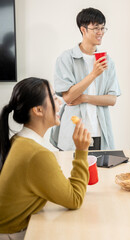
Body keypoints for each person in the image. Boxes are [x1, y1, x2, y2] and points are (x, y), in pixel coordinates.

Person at [0, 77, 91, 240]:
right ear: (38, 110)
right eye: (54, 97)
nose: (61, 102)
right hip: (14, 234)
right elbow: (75, 199)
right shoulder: (37, 154)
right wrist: (81, 151)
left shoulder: (19, 141)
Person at [51, 7, 121, 151]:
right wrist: (93, 74)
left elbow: (112, 99)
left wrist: (84, 98)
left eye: (102, 28)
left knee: (100, 173)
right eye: (95, 28)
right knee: (72, 171)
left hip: (100, 132)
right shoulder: (66, 58)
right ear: (83, 29)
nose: (100, 32)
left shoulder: (108, 61)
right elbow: (69, 97)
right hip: (73, 133)